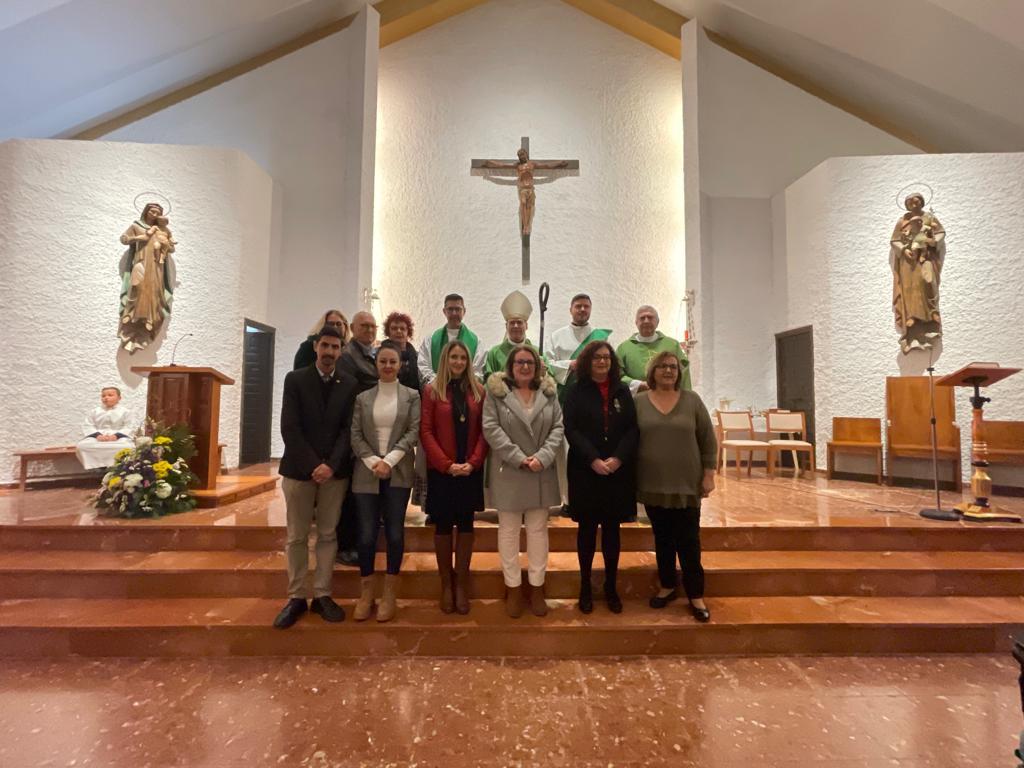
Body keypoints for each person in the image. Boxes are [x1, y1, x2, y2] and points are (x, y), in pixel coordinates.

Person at [274, 325, 358, 629]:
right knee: (296, 536)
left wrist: (331, 466)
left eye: (336, 348)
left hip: (334, 474)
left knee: (327, 535)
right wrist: (314, 465)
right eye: (325, 346)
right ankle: (296, 596)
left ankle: (322, 594)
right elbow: (290, 428)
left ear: (341, 350)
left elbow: (349, 431)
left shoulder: (348, 383)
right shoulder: (296, 380)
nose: (330, 352)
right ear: (315, 347)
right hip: (299, 470)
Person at [635, 350, 717, 623]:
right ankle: (668, 585)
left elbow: (708, 440)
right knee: (663, 540)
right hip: (653, 483)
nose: (668, 371)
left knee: (689, 541)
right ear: (652, 372)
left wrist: (709, 475)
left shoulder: (692, 400)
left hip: (686, 484)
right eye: (662, 367)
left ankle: (696, 595)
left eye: (672, 367)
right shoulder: (639, 402)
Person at [482, 344, 564, 618]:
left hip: (541, 470)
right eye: (519, 362)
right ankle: (513, 587)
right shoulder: (497, 394)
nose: (525, 366)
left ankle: (537, 586)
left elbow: (558, 427)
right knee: (508, 530)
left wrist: (542, 457)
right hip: (511, 469)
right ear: (510, 366)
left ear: (538, 366)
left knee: (538, 531)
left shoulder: (549, 393)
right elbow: (491, 427)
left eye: (530, 362)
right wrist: (519, 457)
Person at [563, 341, 638, 614]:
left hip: (617, 470)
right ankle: (585, 585)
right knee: (586, 530)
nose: (602, 362)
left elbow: (632, 429)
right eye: (597, 358)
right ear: (587, 361)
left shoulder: (622, 390)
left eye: (606, 358)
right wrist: (593, 458)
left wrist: (618, 458)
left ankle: (610, 586)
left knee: (611, 531)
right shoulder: (575, 391)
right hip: (586, 469)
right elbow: (571, 429)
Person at [349, 342, 421, 622]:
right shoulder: (363, 398)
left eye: (393, 361)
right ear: (376, 365)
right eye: (383, 362)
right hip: (366, 471)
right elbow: (355, 434)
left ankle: (390, 593)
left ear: (401, 364)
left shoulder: (412, 396)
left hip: (398, 470)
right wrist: (372, 462)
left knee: (394, 533)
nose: (388, 366)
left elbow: (413, 431)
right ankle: (366, 593)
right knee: (366, 535)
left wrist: (388, 461)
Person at [419, 341, 488, 614]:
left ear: (469, 361)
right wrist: (446, 465)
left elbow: (485, 432)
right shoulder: (432, 390)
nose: (458, 362)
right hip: (443, 472)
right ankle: (446, 583)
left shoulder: (479, 391)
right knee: (444, 526)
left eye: (462, 357)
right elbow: (426, 432)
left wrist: (472, 463)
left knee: (467, 525)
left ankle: (462, 584)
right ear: (445, 360)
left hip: (470, 471)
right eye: (453, 357)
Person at [890, 192, 946, 353]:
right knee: (910, 290)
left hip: (925, 258)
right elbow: (894, 240)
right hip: (908, 263)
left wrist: (933, 241)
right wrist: (903, 250)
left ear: (921, 202)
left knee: (927, 283)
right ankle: (911, 318)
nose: (914, 205)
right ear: (907, 205)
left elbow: (940, 232)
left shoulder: (929, 218)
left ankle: (931, 316)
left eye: (916, 201)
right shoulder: (902, 221)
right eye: (910, 202)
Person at [118, 202, 176, 352]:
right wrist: (140, 238)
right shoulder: (137, 226)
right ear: (146, 211)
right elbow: (124, 239)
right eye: (152, 212)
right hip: (141, 261)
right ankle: (130, 315)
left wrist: (167, 245)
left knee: (154, 293)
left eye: (158, 213)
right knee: (138, 287)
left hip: (157, 266)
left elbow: (171, 247)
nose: (154, 215)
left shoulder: (161, 230)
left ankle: (150, 320)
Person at [545, 293, 612, 403]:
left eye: (586, 306)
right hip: (565, 395)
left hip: (595, 393)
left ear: (590, 310)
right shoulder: (556, 336)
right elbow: (547, 364)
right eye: (578, 306)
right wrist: (569, 365)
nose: (582, 309)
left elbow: (609, 364)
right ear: (570, 310)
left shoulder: (601, 337)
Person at [617, 305, 691, 393]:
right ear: (636, 322)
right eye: (642, 318)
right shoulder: (624, 348)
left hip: (668, 396)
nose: (646, 320)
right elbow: (616, 374)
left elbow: (683, 372)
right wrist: (637, 384)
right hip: (636, 399)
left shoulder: (672, 345)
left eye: (650, 317)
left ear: (657, 321)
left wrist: (686, 396)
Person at [417, 293, 485, 385]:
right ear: (444, 311)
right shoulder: (431, 339)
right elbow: (423, 365)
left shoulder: (476, 341)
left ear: (464, 311)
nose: (454, 313)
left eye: (458, 309)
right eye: (450, 309)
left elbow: (478, 370)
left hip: (464, 389)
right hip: (437, 390)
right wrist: (437, 382)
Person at [75, 387, 135, 469]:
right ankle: (97, 468)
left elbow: (129, 426)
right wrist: (98, 436)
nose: (106, 397)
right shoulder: (95, 411)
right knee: (82, 446)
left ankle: (119, 468)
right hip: (98, 437)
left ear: (119, 398)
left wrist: (116, 436)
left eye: (110, 395)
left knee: (128, 447)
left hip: (119, 437)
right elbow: (88, 425)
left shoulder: (126, 412)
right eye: (103, 396)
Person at [483, 290, 538, 380]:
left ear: (526, 326)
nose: (516, 326)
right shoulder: (494, 353)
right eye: (512, 322)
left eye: (519, 322)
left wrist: (543, 370)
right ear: (506, 326)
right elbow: (488, 382)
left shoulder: (536, 352)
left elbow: (547, 381)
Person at [339, 311, 380, 393]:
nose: (370, 330)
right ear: (352, 328)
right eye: (364, 326)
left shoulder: (379, 352)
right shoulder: (345, 356)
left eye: (373, 326)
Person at [383, 311, 421, 391]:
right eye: (394, 328)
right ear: (388, 332)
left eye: (402, 328)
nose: (399, 331)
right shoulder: (380, 356)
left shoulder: (418, 357)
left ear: (408, 332)